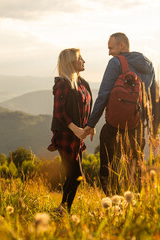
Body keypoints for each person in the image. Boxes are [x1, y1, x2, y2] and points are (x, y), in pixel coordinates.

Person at [84, 32, 160, 195]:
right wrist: (154, 132)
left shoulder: (115, 63)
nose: (109, 52)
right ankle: (135, 208)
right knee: (135, 171)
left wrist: (91, 124)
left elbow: (104, 95)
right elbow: (156, 101)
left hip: (113, 128)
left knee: (108, 172)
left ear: (122, 46)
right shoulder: (149, 66)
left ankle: (113, 207)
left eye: (111, 48)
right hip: (137, 128)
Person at [48, 48, 92, 213]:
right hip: (65, 136)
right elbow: (59, 113)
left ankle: (62, 209)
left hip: (77, 136)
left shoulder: (81, 83)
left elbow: (86, 106)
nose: (84, 61)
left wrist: (89, 126)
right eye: (80, 58)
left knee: (73, 175)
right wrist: (76, 129)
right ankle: (63, 209)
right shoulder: (63, 84)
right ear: (70, 63)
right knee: (76, 175)